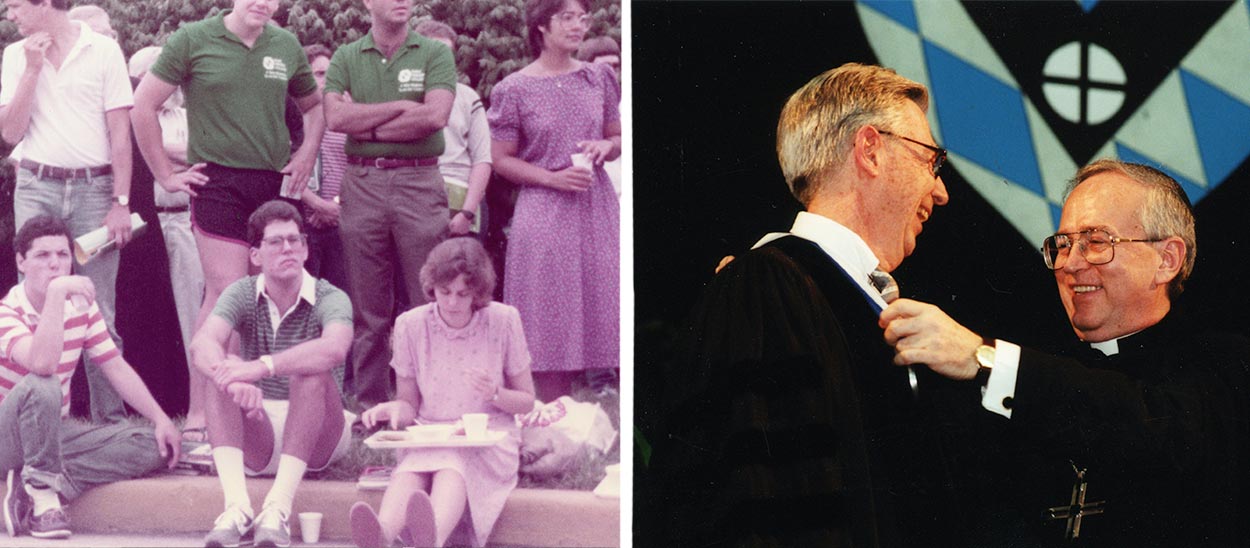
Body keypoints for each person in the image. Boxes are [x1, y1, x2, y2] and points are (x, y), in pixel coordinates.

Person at [638, 62, 966, 547]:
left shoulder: (855, 305)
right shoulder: (766, 286)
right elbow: (756, 505)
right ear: (870, 150)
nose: (940, 192)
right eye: (930, 160)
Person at [880, 159, 1250, 546]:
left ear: (1167, 260)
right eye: (1062, 244)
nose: (1069, 264)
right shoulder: (1040, 372)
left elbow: (1155, 428)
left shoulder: (1226, 367)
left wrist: (984, 361)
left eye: (1095, 242)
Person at [132, 0, 325, 416]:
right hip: (217, 181)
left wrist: (308, 152)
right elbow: (142, 107)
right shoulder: (192, 39)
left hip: (271, 183)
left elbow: (314, 107)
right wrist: (165, 174)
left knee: (267, 294)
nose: (263, 3)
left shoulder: (286, 44)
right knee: (227, 293)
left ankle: (257, 404)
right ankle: (202, 414)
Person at [1, 215, 180, 540]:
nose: (55, 264)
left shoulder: (81, 307)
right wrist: (56, 295)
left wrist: (160, 418)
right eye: (43, 256)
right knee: (45, 382)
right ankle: (42, 494)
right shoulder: (6, 312)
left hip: (50, 434)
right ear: (21, 262)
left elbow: (114, 366)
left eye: (63, 255)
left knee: (152, 445)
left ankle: (31, 489)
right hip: (5, 438)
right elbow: (42, 364)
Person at [1, 0, 136, 423]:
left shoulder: (103, 50)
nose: (9, 16)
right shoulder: (15, 55)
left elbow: (120, 133)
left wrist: (121, 203)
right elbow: (9, 132)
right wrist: (32, 69)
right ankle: (31, 419)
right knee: (33, 304)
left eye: (15, 6)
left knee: (99, 307)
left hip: (95, 190)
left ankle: (109, 423)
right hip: (36, 186)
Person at [189, 201, 354, 548]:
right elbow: (202, 343)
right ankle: (236, 507)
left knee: (311, 372)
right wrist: (232, 378)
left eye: (295, 241)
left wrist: (260, 367)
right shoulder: (243, 292)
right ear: (256, 255)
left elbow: (334, 349)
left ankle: (278, 508)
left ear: (306, 249)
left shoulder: (330, 296)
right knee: (221, 373)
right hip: (258, 425)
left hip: (320, 433)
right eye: (276, 242)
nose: (288, 249)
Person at [352, 237, 535, 548]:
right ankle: (380, 536)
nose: (452, 302)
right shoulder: (411, 325)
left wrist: (494, 393)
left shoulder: (503, 320)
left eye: (463, 294)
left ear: (478, 292)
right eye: (444, 292)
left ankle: (430, 538)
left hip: (487, 437)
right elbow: (409, 404)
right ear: (431, 287)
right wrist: (392, 409)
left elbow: (526, 402)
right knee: (411, 469)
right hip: (431, 433)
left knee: (451, 463)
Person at [322, 0, 457, 412]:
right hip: (361, 182)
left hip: (419, 180)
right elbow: (335, 119)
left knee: (430, 296)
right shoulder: (346, 56)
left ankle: (436, 403)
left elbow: (435, 116)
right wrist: (401, 108)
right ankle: (372, 406)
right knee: (368, 307)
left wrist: (368, 124)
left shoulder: (434, 52)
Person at [487, 0, 620, 401]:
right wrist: (552, 178)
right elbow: (500, 159)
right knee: (548, 316)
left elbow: (617, 139)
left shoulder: (599, 78)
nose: (578, 26)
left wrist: (605, 145)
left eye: (582, 17)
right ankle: (549, 414)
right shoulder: (514, 88)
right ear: (541, 26)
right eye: (567, 17)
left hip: (595, 206)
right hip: (543, 209)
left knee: (605, 301)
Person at [125, 45, 210, 441]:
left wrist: (167, 155)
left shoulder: (189, 114)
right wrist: (173, 158)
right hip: (156, 224)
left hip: (191, 222)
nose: (170, 85)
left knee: (196, 309)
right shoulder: (132, 118)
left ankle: (200, 402)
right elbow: (156, 156)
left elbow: (206, 155)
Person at [414, 19, 491, 237]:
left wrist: (467, 212)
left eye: (447, 53)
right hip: (415, 201)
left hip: (463, 200)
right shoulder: (402, 93)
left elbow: (483, 159)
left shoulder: (467, 97)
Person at [298, 44, 348, 292]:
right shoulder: (292, 116)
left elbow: (356, 169)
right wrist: (316, 205)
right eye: (318, 74)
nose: (326, 80)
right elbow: (281, 167)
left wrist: (334, 205)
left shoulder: (345, 115)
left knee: (340, 295)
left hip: (340, 220)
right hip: (301, 221)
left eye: (330, 73)